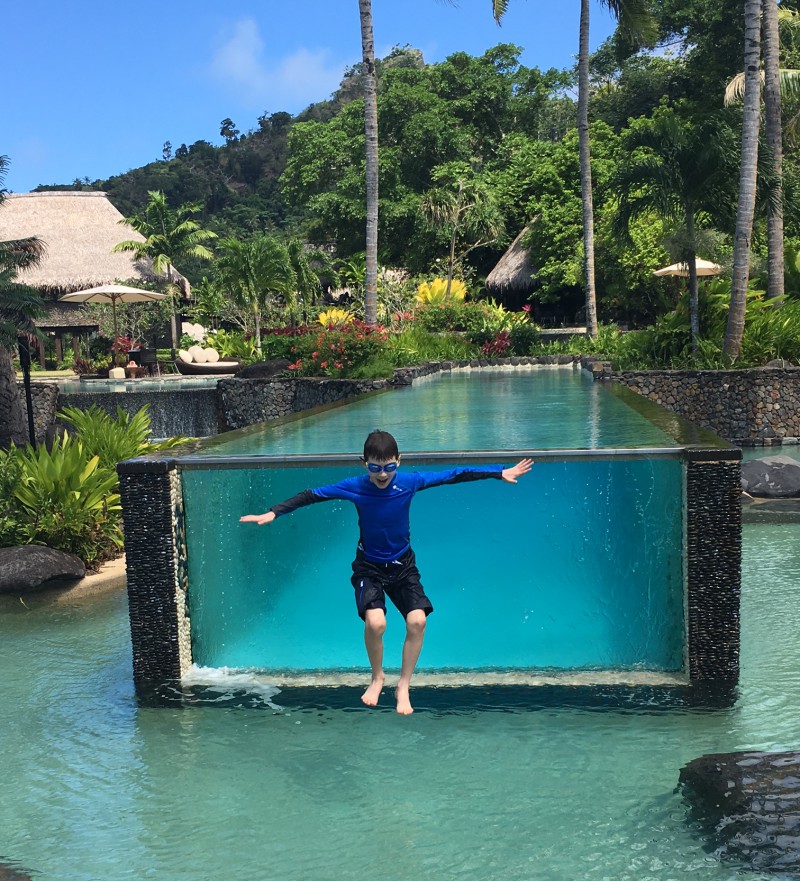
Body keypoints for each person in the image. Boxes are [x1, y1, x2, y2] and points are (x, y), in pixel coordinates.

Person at [240, 430, 533, 715]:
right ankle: (378, 677)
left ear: (399, 461)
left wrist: (498, 472)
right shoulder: (355, 486)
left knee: (418, 621)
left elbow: (453, 474)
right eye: (376, 468)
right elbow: (312, 495)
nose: (382, 474)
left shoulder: (410, 482)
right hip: (369, 567)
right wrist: (275, 511)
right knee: (376, 623)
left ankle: (403, 685)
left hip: (403, 566)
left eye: (389, 467)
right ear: (363, 463)